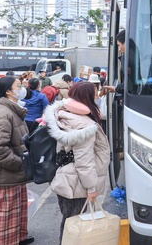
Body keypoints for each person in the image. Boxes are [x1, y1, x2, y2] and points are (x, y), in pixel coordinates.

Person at [43, 82, 110, 243]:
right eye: (94, 92)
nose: (97, 94)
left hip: (64, 176)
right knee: (73, 224)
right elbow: (84, 160)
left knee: (68, 221)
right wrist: (91, 187)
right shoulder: (84, 125)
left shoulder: (63, 114)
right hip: (76, 182)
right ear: (86, 97)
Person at [0, 76, 33, 245]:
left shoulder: (10, 108)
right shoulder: (3, 113)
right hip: (5, 170)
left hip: (12, 169)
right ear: (9, 91)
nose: (23, 88)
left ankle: (18, 238)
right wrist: (19, 163)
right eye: (19, 86)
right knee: (7, 210)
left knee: (19, 206)